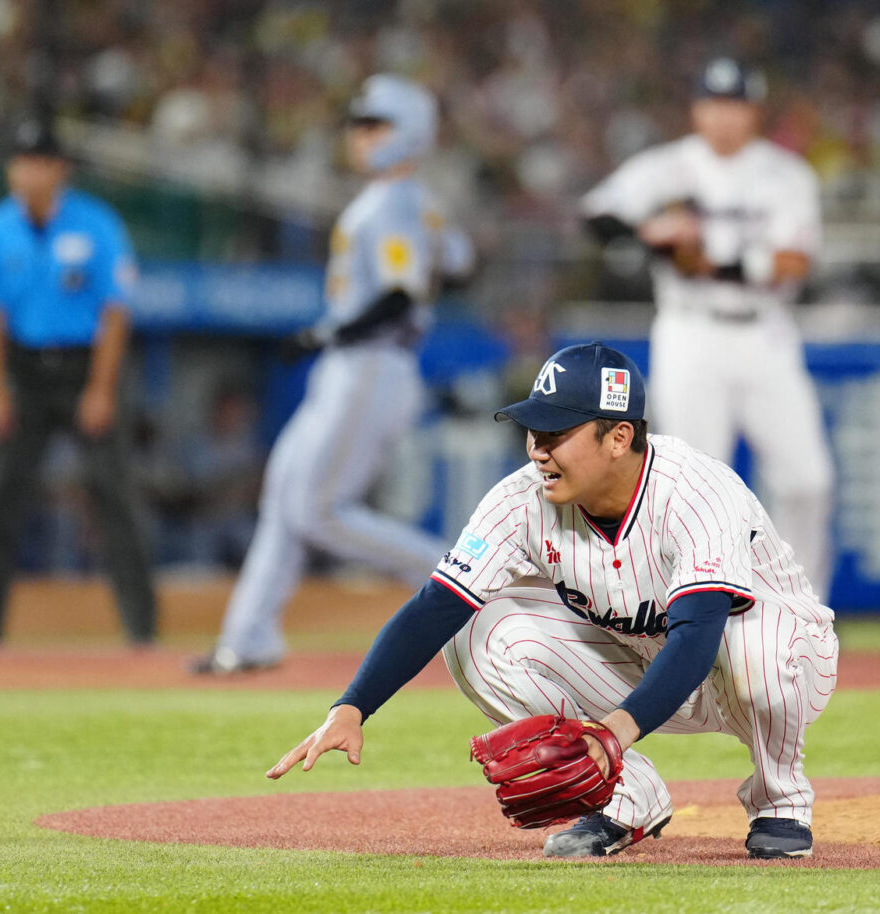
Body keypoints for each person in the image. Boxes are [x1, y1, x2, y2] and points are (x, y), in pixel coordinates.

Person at [268, 342, 838, 860]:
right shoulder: (521, 500)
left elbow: (696, 636)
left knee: (760, 651)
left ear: (618, 437)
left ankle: (780, 798)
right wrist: (352, 706)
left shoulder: (695, 493)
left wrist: (613, 731)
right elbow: (435, 606)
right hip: (641, 660)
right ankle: (626, 798)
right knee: (477, 632)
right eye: (532, 431)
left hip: (765, 662)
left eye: (556, 433)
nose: (538, 450)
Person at [191, 74, 474, 674]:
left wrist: (325, 332)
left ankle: (460, 579)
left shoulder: (395, 202)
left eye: (376, 125)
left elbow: (398, 296)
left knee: (317, 509)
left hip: (372, 360)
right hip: (362, 362)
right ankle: (248, 639)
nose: (361, 136)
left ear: (412, 133)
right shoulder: (417, 202)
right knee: (286, 494)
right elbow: (461, 261)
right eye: (359, 125)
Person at [579, 57, 835, 601]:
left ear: (754, 111)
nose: (723, 116)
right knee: (694, 487)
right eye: (713, 103)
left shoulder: (785, 174)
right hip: (690, 332)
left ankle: (801, 613)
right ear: (696, 109)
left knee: (806, 479)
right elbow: (595, 218)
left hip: (764, 332)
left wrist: (707, 257)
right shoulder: (667, 168)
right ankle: (695, 609)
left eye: (735, 104)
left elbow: (793, 263)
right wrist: (653, 232)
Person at [0, 118, 158, 649]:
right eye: (19, 161)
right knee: (0, 497)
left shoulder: (96, 224)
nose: (27, 172)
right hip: (24, 368)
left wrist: (102, 389)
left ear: (60, 169)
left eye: (38, 161)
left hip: (87, 364)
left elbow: (114, 313)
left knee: (113, 494)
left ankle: (141, 629)